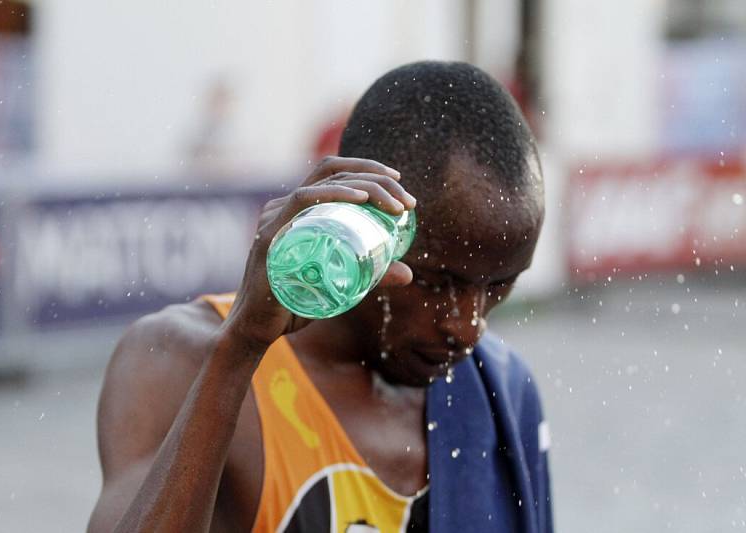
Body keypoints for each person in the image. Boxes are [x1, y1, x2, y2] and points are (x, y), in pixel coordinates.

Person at [88, 61, 552, 533]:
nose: (468, 326)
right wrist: (240, 348)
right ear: (365, 222)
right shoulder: (176, 358)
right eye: (437, 284)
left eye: (499, 286)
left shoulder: (500, 390)